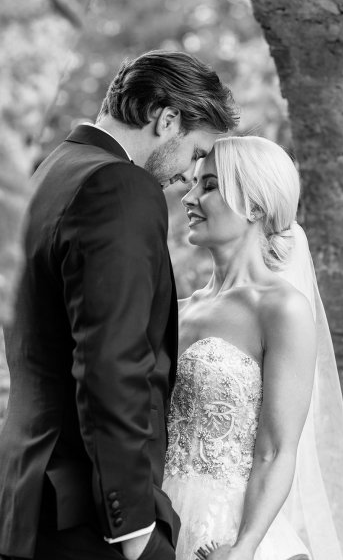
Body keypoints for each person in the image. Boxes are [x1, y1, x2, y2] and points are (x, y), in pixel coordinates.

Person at [0, 50, 238, 560]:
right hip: (89, 522)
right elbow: (111, 362)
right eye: (195, 153)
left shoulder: (52, 171)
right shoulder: (119, 186)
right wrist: (133, 530)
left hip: (28, 503)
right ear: (166, 118)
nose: (186, 178)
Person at [162, 136, 343, 560]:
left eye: (208, 186)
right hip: (158, 523)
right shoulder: (176, 311)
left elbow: (277, 450)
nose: (188, 197)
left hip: (229, 536)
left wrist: (244, 547)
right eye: (192, 184)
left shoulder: (282, 310)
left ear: (256, 207)